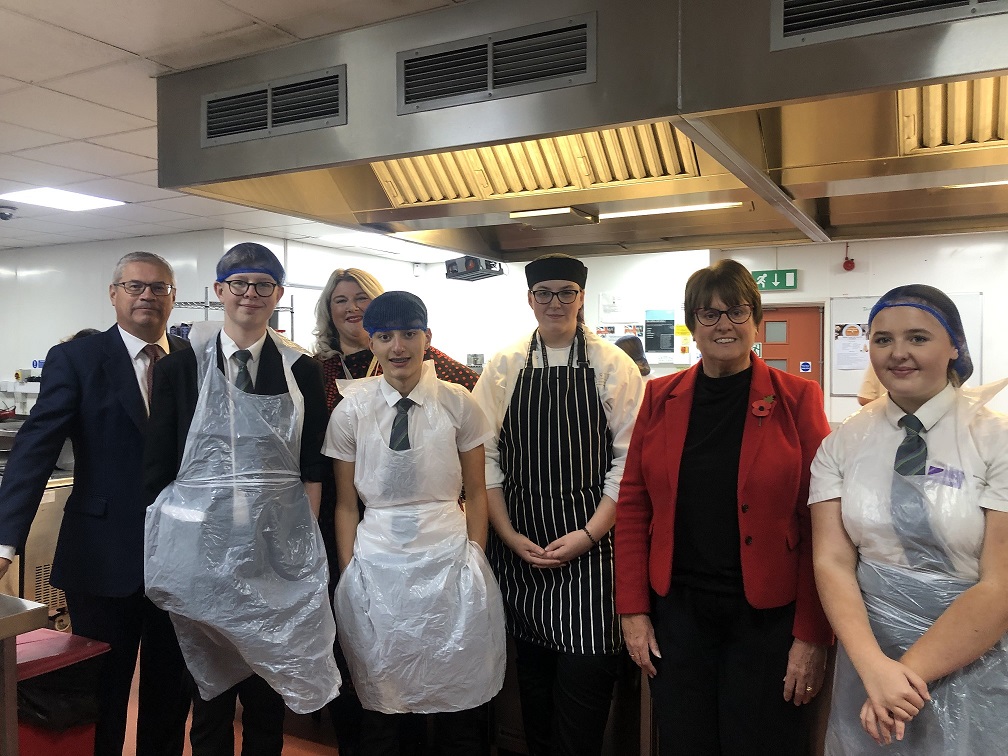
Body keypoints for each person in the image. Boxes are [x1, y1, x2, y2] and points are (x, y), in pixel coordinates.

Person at [615, 258, 834, 755]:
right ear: (692, 324)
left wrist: (813, 635)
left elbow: (820, 519)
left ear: (756, 320)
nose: (723, 325)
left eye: (736, 311)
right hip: (679, 614)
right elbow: (633, 507)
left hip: (767, 620)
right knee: (683, 741)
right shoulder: (659, 397)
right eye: (708, 314)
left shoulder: (797, 398)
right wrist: (632, 610)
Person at [143, 242, 341, 756]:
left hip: (275, 555)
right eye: (239, 285)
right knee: (210, 691)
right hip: (202, 560)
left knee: (266, 686)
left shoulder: (301, 370)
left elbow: (311, 466)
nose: (249, 295)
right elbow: (160, 471)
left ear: (277, 295)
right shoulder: (180, 370)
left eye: (262, 286)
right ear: (219, 292)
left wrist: (300, 547)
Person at [0, 251, 191, 756]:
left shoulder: (193, 363)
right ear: (113, 294)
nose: (146, 295)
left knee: (171, 690)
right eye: (134, 286)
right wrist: (5, 541)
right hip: (103, 555)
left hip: (184, 558)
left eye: (158, 288)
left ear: (173, 297)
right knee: (103, 690)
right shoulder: (79, 359)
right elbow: (35, 448)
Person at [809, 284, 1008, 754]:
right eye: (882, 340)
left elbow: (999, 582)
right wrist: (875, 669)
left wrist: (905, 679)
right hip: (869, 654)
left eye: (918, 338)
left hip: (975, 654)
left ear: (954, 346)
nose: (898, 353)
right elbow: (832, 561)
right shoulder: (843, 443)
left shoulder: (994, 439)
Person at [471, 253, 645, 756]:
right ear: (529, 299)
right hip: (520, 554)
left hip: (591, 561)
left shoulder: (613, 365)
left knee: (582, 714)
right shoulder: (504, 367)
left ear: (581, 297)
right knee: (535, 709)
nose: (555, 302)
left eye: (566, 292)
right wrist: (506, 534)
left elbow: (628, 464)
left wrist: (589, 534)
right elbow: (485, 458)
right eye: (544, 293)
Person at [324, 291, 506, 756]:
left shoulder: (457, 402)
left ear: (428, 337)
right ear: (372, 341)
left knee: (457, 700)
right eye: (385, 336)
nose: (398, 347)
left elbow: (477, 489)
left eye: (409, 334)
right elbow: (345, 503)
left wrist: (475, 554)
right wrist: (349, 573)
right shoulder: (352, 410)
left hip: (448, 558)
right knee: (383, 701)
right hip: (377, 563)